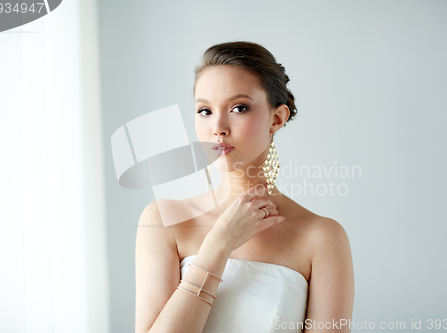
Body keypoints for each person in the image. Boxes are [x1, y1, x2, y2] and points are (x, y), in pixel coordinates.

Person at [135, 41, 354, 333]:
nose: (218, 128)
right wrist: (219, 243)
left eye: (239, 108)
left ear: (277, 118)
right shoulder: (165, 220)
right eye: (204, 111)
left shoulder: (322, 238)